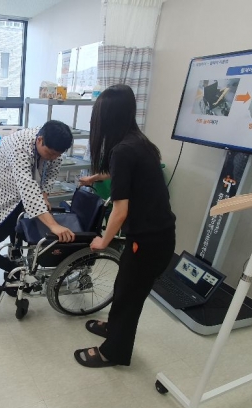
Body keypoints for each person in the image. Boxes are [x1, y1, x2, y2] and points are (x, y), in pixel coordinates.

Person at [73, 85, 176, 368]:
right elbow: (126, 173)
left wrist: (103, 241)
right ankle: (113, 328)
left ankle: (113, 352)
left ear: (107, 118)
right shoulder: (138, 142)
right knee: (123, 289)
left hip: (148, 241)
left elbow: (120, 211)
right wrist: (96, 177)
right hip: (157, 237)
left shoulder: (122, 150)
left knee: (129, 297)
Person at [0, 120, 76, 271]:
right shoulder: (19, 145)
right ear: (39, 140)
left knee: (19, 222)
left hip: (22, 180)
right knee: (5, 226)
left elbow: (51, 173)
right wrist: (53, 225)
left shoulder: (53, 146)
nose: (53, 158)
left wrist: (44, 196)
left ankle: (15, 260)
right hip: (0, 181)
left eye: (58, 155)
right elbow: (27, 187)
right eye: (51, 154)